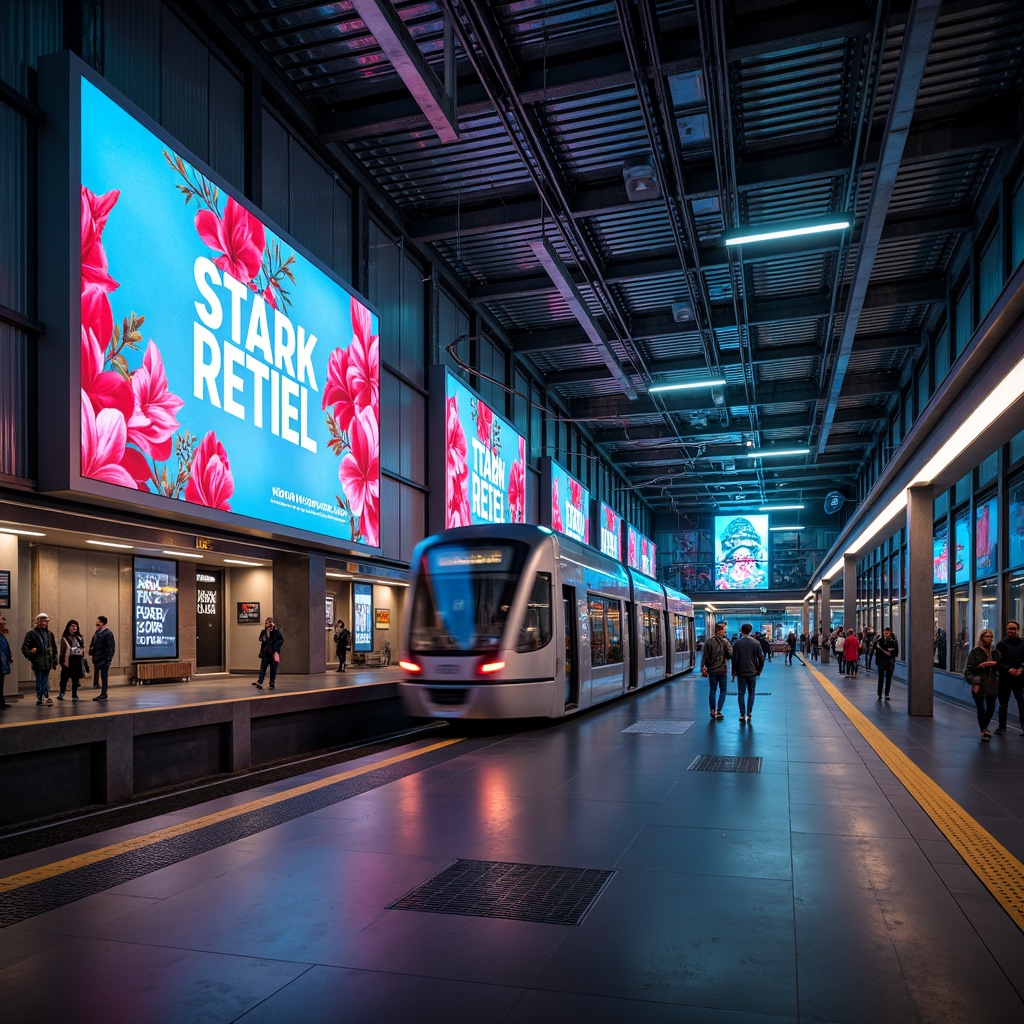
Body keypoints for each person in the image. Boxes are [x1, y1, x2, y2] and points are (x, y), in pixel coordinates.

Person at [964, 629, 1000, 741]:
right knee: (981, 708)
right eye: (987, 636)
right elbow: (968, 670)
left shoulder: (995, 652)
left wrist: (994, 664)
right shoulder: (975, 652)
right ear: (982, 637)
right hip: (979, 683)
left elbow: (1001, 665)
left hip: (992, 683)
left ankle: (985, 727)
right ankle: (983, 730)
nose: (990, 638)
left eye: (991, 636)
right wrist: (980, 666)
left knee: (991, 708)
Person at [994, 620, 1024, 736]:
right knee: (1003, 703)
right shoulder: (1001, 645)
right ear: (1006, 630)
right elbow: (997, 662)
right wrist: (1008, 669)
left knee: (1021, 702)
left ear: (1018, 630)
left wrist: (1020, 669)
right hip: (1005, 677)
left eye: (1014, 628)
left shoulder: (1023, 643)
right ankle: (1001, 727)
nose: (1012, 631)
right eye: (1009, 629)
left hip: (1020, 677)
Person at [22, 612, 58, 706]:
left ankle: (43, 696)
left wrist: (54, 660)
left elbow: (54, 648)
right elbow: (24, 647)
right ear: (38, 621)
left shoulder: (50, 634)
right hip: (38, 660)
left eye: (45, 621)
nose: (44, 623)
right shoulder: (31, 633)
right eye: (42, 621)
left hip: (47, 661)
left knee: (44, 680)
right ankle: (41, 696)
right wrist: (31, 655)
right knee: (40, 680)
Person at [732, 622, 764, 724]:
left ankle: (742, 714)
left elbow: (734, 659)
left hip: (741, 672)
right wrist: (759, 669)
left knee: (741, 693)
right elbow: (761, 658)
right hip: (752, 672)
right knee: (751, 693)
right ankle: (749, 713)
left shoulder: (737, 643)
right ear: (751, 631)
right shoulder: (756, 643)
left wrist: (733, 672)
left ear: (741, 631)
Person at [700, 621, 732, 720]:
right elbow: (730, 655)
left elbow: (704, 656)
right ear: (719, 631)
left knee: (712, 690)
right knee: (723, 690)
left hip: (712, 670)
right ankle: (719, 710)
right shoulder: (725, 642)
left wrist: (702, 668)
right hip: (722, 670)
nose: (725, 632)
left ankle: (712, 710)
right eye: (724, 630)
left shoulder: (708, 642)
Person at [89, 614, 116, 702]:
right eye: (97, 621)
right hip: (97, 658)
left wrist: (108, 659)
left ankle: (104, 693)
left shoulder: (108, 633)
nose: (97, 623)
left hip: (104, 659)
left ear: (103, 623)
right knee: (99, 676)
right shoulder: (97, 633)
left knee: (104, 676)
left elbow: (111, 647)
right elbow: (93, 643)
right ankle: (101, 692)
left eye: (100, 621)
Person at [57, 619, 86, 701]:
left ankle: (74, 694)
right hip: (68, 660)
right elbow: (63, 651)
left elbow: (82, 648)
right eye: (73, 626)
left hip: (77, 660)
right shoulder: (65, 638)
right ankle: (61, 693)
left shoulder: (79, 638)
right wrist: (61, 661)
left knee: (76, 678)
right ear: (69, 627)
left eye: (76, 626)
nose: (75, 627)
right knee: (64, 678)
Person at [254, 617, 284, 689]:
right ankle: (260, 682)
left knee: (273, 669)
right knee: (263, 668)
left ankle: (272, 682)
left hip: (273, 653)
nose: (266, 623)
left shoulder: (276, 632)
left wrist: (273, 629)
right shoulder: (263, 632)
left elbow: (281, 640)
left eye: (268, 622)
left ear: (272, 623)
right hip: (265, 653)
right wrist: (262, 639)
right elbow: (261, 638)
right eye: (266, 622)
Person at [873, 626, 899, 701]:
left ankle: (887, 693)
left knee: (889, 678)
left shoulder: (893, 641)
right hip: (881, 661)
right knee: (880, 678)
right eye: (885, 631)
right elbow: (875, 649)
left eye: (888, 631)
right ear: (883, 632)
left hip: (890, 661)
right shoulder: (879, 641)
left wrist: (882, 650)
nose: (886, 633)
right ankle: (880, 693)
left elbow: (895, 652)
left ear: (890, 632)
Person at [0, 614, 13, 709]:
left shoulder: (2, 636)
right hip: (1, 663)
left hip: (3, 663)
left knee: (1, 684)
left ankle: (1, 702)